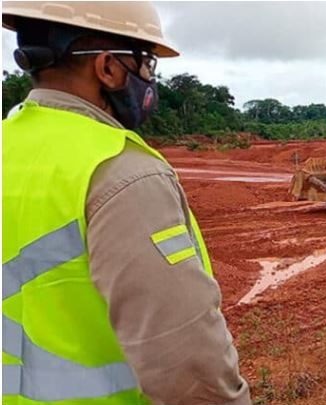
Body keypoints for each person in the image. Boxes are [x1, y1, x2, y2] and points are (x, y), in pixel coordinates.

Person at [2, 2, 250, 404]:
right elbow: (191, 376)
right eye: (147, 64)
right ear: (108, 68)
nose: (150, 78)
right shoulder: (122, 174)